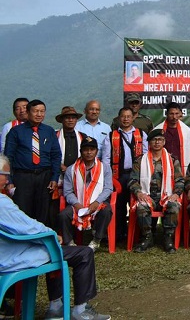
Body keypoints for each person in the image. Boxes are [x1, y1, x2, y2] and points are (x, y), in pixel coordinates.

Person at [0, 154, 111, 320]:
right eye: (7, 176)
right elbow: (28, 227)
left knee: (53, 248)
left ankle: (56, 306)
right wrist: (52, 234)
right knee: (82, 254)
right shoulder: (2, 202)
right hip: (11, 257)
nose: (8, 181)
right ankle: (80, 310)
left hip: (8, 250)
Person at [3, 99, 61, 225]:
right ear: (28, 112)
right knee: (23, 211)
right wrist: (9, 181)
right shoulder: (16, 131)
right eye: (35, 111)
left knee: (43, 211)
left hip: (44, 176)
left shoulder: (49, 131)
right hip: (23, 177)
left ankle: (40, 241)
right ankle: (24, 241)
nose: (39, 114)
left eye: (42, 111)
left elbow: (56, 155)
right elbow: (8, 158)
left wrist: (55, 177)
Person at [128, 129, 184, 253]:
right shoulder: (140, 161)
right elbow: (132, 180)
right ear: (149, 143)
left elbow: (180, 180)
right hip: (147, 195)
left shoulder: (173, 160)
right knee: (142, 207)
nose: (157, 142)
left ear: (164, 142)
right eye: (154, 140)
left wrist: (176, 193)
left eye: (160, 140)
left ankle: (168, 238)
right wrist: (138, 192)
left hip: (166, 195)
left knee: (174, 206)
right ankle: (147, 237)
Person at [58, 137, 113, 252]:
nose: (89, 152)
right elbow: (67, 192)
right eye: (86, 149)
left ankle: (96, 240)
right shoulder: (71, 169)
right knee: (63, 215)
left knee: (107, 211)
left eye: (92, 149)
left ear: (96, 151)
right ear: (81, 151)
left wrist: (97, 202)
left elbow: (108, 188)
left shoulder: (105, 168)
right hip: (78, 203)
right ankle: (69, 243)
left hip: (98, 202)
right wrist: (77, 204)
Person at [108, 106, 147, 239]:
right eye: (123, 116)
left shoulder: (141, 134)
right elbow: (106, 159)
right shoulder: (111, 135)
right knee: (119, 205)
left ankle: (138, 233)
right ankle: (120, 233)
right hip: (119, 175)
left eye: (128, 116)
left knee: (137, 203)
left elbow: (147, 155)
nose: (125, 119)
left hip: (137, 176)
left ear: (133, 118)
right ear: (119, 118)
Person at [152, 102, 190, 174]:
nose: (174, 117)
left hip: (180, 167)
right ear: (166, 114)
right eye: (171, 114)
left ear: (180, 114)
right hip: (162, 165)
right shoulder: (158, 130)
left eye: (177, 114)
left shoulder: (187, 131)